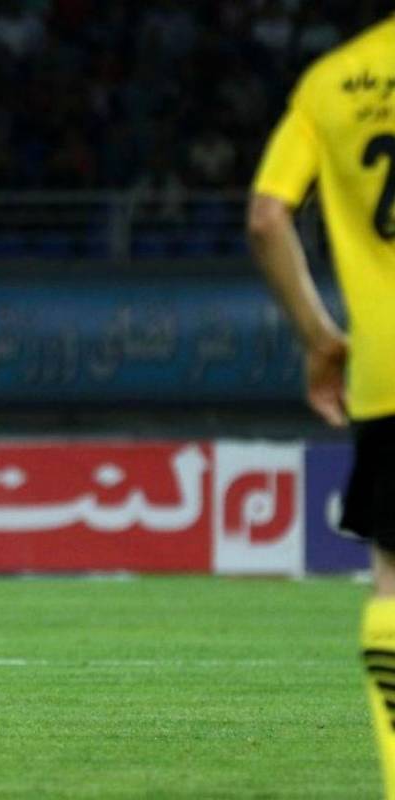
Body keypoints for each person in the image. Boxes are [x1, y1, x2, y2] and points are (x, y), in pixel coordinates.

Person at [247, 15, 395, 795]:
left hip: (386, 369)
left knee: (392, 584)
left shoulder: (334, 81)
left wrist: (319, 337)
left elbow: (267, 215)